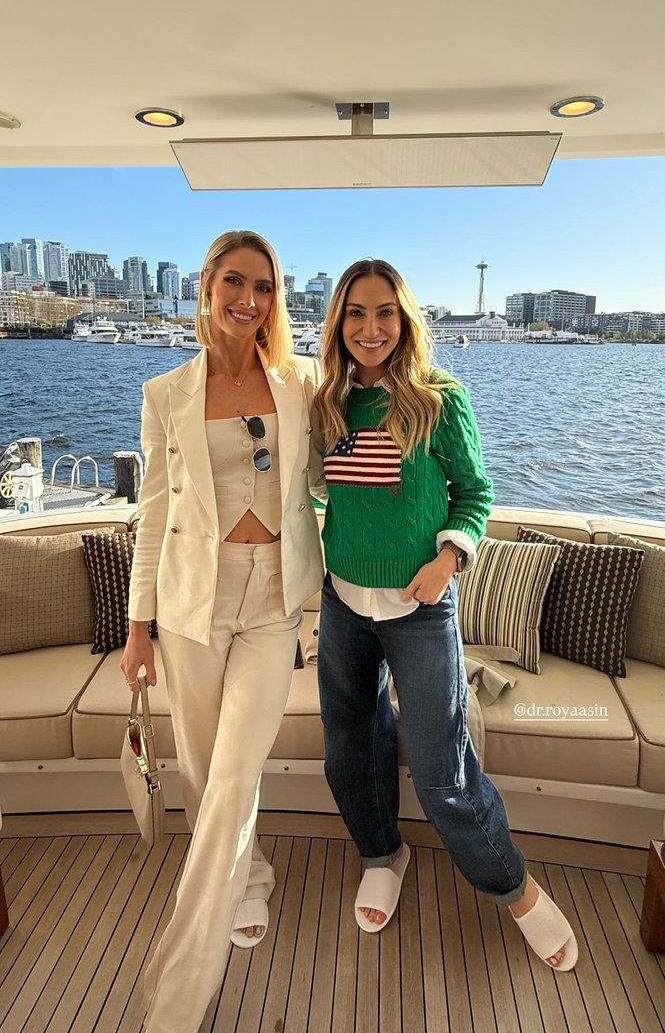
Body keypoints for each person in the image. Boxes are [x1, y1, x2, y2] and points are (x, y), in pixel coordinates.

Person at [312, 258, 578, 971]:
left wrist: (447, 560)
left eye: (384, 313)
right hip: (341, 606)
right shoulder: (327, 404)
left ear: (404, 321)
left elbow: (475, 493)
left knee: (441, 772)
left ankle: (515, 890)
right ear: (337, 321)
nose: (370, 328)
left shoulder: (438, 398)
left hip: (420, 609)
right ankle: (382, 855)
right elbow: (318, 494)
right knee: (348, 751)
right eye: (356, 313)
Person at [120, 230, 325, 1033]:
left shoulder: (302, 382)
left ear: (277, 297)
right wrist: (139, 630)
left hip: (274, 599)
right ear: (205, 286)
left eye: (265, 286)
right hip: (189, 606)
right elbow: (154, 515)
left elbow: (330, 476)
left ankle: (178, 992)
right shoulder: (164, 392)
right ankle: (251, 876)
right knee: (207, 770)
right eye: (234, 282)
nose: (250, 299)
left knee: (236, 775)